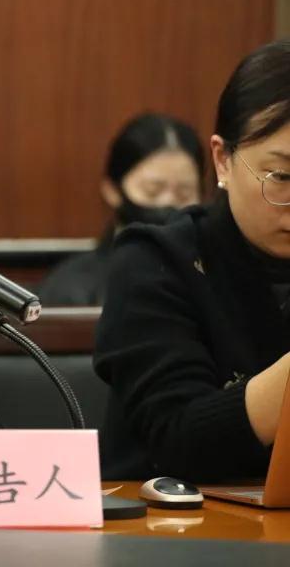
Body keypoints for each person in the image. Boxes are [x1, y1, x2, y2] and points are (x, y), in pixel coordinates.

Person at [95, 39, 290, 481]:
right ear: (222, 160)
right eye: (282, 176)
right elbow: (177, 440)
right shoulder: (155, 261)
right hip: (172, 519)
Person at [37, 113, 204, 306]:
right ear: (112, 190)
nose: (168, 202)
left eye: (184, 193)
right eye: (152, 190)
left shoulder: (217, 277)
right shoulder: (70, 289)